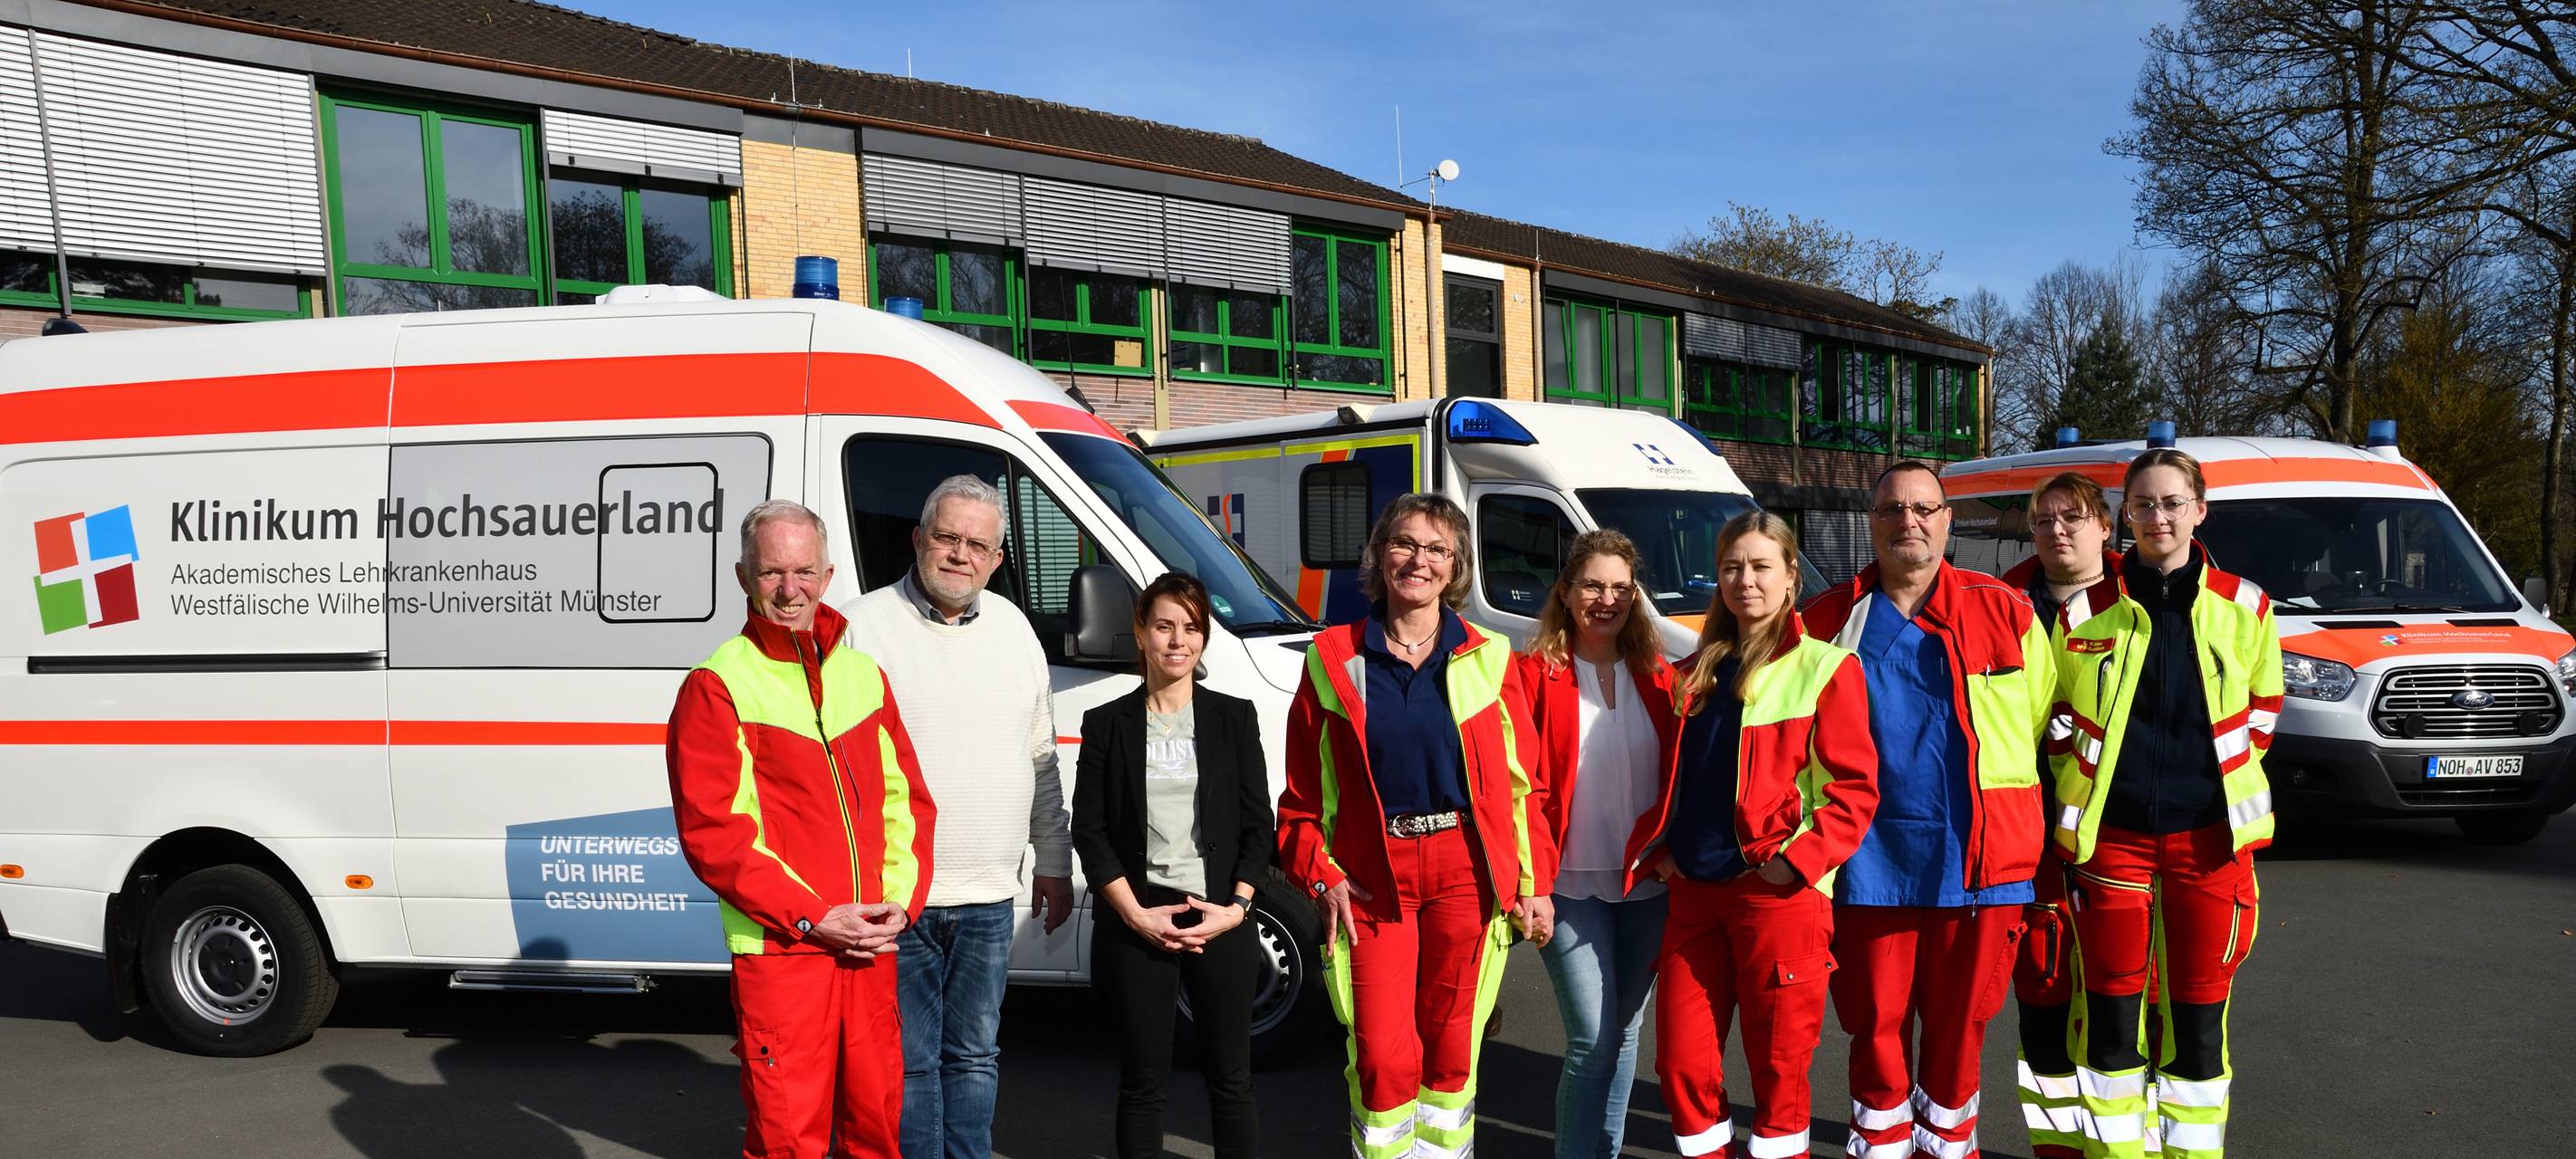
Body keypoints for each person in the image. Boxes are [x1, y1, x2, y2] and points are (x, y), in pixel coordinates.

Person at [1275, 492, 1552, 1159]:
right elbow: (1301, 801)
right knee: (1381, 1054)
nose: (1418, 560)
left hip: (1465, 872)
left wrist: (1533, 883)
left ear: (1454, 565)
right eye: (1403, 543)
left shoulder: (1491, 656)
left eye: (1436, 549)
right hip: (1372, 879)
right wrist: (1321, 874)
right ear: (1379, 553)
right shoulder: (1332, 657)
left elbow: (1523, 786)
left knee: (1453, 1046)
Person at [668, 500, 937, 1159]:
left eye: (804, 572)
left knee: (876, 1128)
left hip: (870, 943)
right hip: (785, 949)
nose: (790, 590)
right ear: (742, 577)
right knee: (789, 1137)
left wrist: (898, 904)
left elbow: (907, 804)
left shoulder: (862, 674)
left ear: (828, 574)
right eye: (771, 574)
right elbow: (716, 835)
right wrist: (814, 918)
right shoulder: (717, 684)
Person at [1801, 462, 2053, 1159]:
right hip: (1864, 863)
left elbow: (2035, 716)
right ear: (1871, 522)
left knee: (1959, 1027)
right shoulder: (1826, 622)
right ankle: (1879, 1142)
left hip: (1979, 862)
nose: (1907, 522)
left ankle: (1947, 1145)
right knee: (1874, 1023)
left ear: (1947, 519)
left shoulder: (2006, 611)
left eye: (1923, 508)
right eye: (1890, 510)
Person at [2046, 448, 2281, 1159]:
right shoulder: (2085, 610)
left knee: (2200, 1021)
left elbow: (2264, 713)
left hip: (2208, 842)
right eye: (2143, 504)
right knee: (2113, 1019)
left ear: (2199, 510)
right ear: (2126, 515)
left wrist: (2220, 784)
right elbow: (2054, 718)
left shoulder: (2248, 606)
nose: (2157, 516)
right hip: (2110, 840)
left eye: (2172, 502)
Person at [1629, 511, 1879, 1159]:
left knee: (1779, 1073)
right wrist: (1660, 853)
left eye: (1762, 566)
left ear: (1791, 576)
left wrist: (1792, 867)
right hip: (1693, 897)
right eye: (1733, 567)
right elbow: (1670, 779)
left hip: (1779, 899)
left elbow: (1853, 793)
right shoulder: (1693, 671)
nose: (1746, 580)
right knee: (1682, 1066)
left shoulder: (1827, 668)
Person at [841, 474, 1073, 1159]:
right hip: (895, 895)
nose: (959, 554)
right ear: (918, 539)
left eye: (978, 544)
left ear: (998, 559)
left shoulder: (1015, 629)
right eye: (946, 537)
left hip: (989, 895)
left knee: (974, 1057)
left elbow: (1040, 757)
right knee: (908, 1065)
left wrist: (1054, 865)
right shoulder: (860, 626)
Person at [1069, 572, 1273, 1159]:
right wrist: (1136, 916)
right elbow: (1092, 829)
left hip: (1220, 924)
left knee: (1232, 1083)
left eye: (1190, 627)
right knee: (1142, 1085)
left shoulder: (1234, 719)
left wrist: (1235, 910)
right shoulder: (1107, 723)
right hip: (1139, 925)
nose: (1177, 640)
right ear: (1140, 632)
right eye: (1164, 626)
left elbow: (1259, 827)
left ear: (1203, 637)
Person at [1511, 530, 1681, 1159]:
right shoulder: (1533, 676)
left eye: (1619, 587)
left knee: (1626, 1033)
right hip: (1568, 885)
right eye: (1592, 585)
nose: (1605, 599)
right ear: (1566, 591)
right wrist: (1532, 884)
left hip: (1646, 884)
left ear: (1634, 596)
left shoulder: (1660, 675)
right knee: (1593, 1039)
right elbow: (1518, 789)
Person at [2002, 472, 2119, 1159]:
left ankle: (2117, 1145)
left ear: (2106, 526)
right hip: (2030, 831)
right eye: (2043, 520)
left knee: (2119, 1001)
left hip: (2122, 832)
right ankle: (2056, 1150)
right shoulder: (2004, 603)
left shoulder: (2139, 604)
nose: (2057, 531)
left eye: (2072, 518)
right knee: (2042, 992)